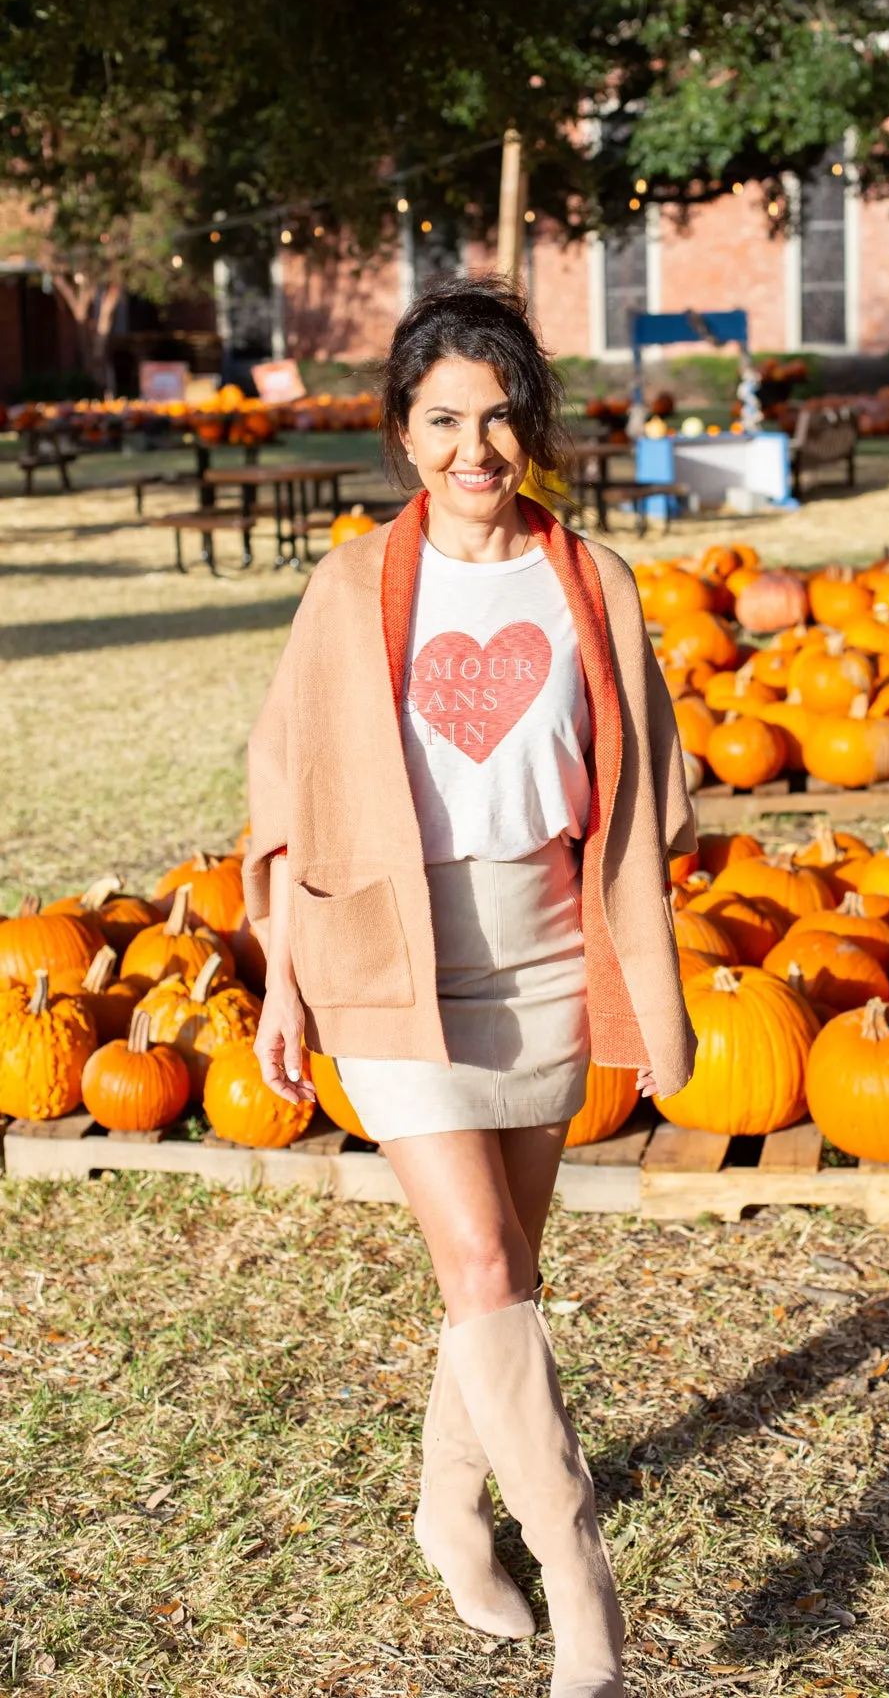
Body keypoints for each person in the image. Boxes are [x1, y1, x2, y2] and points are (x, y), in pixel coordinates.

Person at [244, 275, 696, 1697]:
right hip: (393, 957)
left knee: (501, 1274)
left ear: (533, 428)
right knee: (484, 1264)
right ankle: (583, 1589)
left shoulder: (591, 582)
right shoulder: (348, 587)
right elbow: (288, 791)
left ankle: (451, 1509)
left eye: (500, 419)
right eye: (443, 419)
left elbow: (646, 787)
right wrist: (281, 988)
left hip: (545, 953)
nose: (473, 450)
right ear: (400, 427)